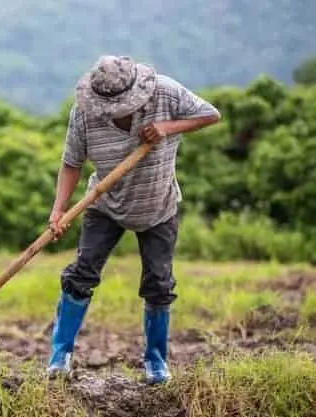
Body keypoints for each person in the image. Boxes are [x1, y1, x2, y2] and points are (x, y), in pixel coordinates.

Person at [46, 55, 221, 384]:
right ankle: (60, 355)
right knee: (81, 274)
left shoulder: (166, 93)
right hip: (104, 203)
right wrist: (59, 210)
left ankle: (156, 361)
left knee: (158, 284)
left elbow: (210, 114)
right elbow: (71, 162)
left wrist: (168, 128)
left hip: (158, 205)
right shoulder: (84, 111)